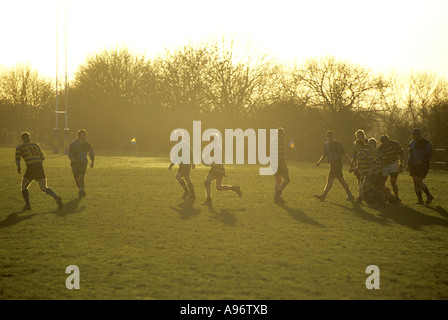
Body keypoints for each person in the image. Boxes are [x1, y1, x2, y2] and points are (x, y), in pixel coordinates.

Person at [15, 132, 63, 210]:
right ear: (29, 137)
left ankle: (27, 205)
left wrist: (18, 167)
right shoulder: (35, 145)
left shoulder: (20, 147)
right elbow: (42, 157)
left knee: (24, 186)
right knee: (44, 187)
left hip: (31, 167)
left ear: (22, 138)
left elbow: (18, 159)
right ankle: (56, 197)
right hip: (39, 167)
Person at [315, 130, 354, 201]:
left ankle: (323, 196)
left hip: (337, 164)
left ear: (333, 136)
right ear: (327, 137)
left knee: (332, 180)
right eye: (328, 136)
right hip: (333, 164)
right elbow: (325, 154)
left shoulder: (337, 144)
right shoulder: (326, 144)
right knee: (340, 180)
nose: (330, 137)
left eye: (331, 135)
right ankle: (350, 195)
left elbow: (344, 153)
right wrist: (319, 162)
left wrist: (350, 162)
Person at [203, 134, 242, 205]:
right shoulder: (218, 147)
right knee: (219, 187)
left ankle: (209, 201)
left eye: (211, 140)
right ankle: (235, 188)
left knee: (206, 183)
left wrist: (206, 161)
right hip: (219, 169)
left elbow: (211, 158)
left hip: (216, 169)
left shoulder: (214, 148)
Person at [406, 128, 433, 205]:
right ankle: (420, 200)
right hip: (413, 165)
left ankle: (429, 195)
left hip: (423, 166)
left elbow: (430, 154)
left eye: (415, 134)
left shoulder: (425, 142)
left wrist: (422, 161)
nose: (413, 136)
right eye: (413, 134)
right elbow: (410, 154)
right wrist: (408, 164)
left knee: (419, 181)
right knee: (415, 182)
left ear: (419, 135)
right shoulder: (412, 143)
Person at [68, 129, 95, 198]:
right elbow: (70, 152)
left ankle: (81, 189)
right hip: (75, 163)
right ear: (79, 135)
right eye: (82, 135)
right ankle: (80, 188)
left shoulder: (87, 144)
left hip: (83, 162)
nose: (84, 136)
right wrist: (71, 157)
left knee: (81, 176)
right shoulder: (73, 143)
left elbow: (91, 152)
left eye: (85, 135)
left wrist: (92, 161)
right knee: (77, 177)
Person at [378, 135, 404, 203]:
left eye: (385, 142)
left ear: (388, 140)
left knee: (393, 181)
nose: (384, 144)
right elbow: (379, 158)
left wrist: (401, 165)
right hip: (385, 165)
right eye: (382, 142)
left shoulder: (395, 144)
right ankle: (387, 195)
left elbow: (401, 154)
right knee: (382, 183)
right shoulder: (380, 148)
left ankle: (397, 197)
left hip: (394, 163)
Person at [169, 135, 196, 199]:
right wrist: (193, 163)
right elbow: (191, 153)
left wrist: (171, 165)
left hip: (185, 164)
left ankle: (187, 192)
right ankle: (192, 194)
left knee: (178, 177)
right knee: (187, 178)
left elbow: (177, 157)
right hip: (185, 164)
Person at [272, 127, 291, 203]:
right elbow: (280, 154)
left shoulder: (274, 140)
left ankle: (276, 198)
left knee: (278, 181)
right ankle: (277, 194)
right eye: (281, 133)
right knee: (287, 179)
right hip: (279, 163)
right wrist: (283, 164)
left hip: (273, 163)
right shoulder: (279, 141)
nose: (282, 134)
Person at [351, 129, 369, 201]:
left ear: (363, 135)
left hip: (367, 164)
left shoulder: (367, 142)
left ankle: (365, 194)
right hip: (359, 163)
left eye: (360, 135)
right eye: (358, 136)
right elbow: (354, 154)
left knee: (366, 180)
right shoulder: (355, 143)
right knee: (359, 179)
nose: (359, 137)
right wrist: (352, 162)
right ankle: (360, 194)